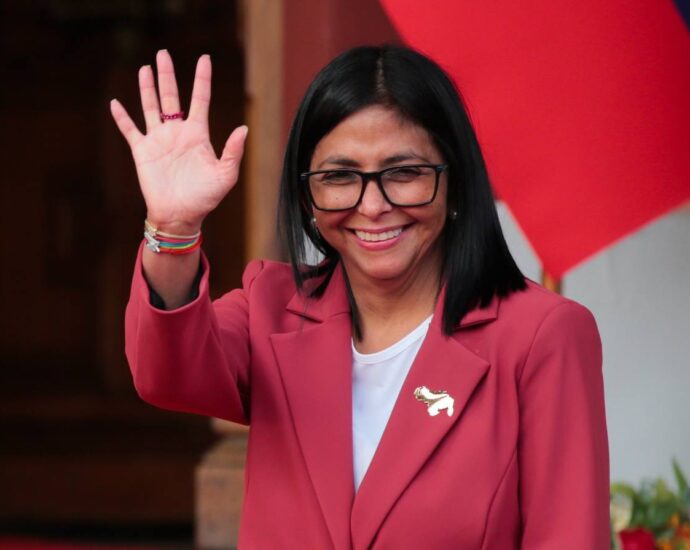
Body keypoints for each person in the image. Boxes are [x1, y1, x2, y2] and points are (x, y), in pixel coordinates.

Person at [111, 45, 610, 549]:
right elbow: (165, 373)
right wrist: (174, 228)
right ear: (307, 195)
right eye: (339, 176)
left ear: (455, 182)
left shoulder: (542, 335)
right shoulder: (270, 308)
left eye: (404, 173)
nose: (372, 206)